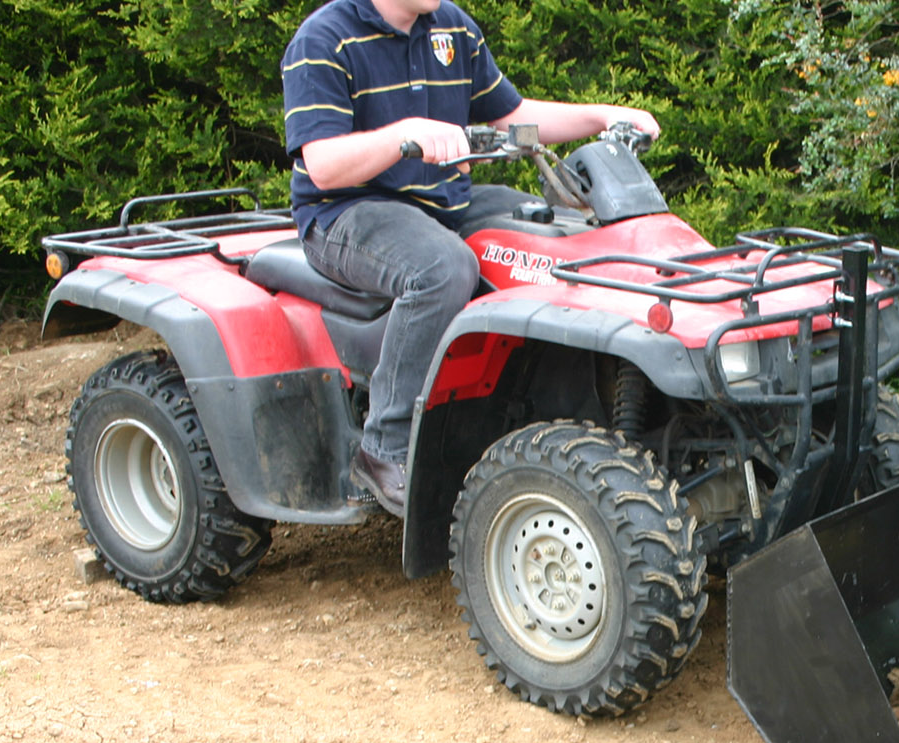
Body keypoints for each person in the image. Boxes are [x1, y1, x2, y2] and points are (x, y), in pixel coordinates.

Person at [280, 0, 659, 515]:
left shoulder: (452, 28)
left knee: (563, 243)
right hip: (345, 212)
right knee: (443, 269)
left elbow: (514, 117)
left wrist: (602, 116)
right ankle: (384, 447)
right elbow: (323, 165)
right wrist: (404, 136)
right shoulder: (323, 39)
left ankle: (577, 417)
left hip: (444, 202)